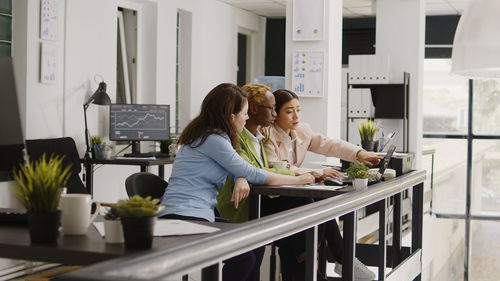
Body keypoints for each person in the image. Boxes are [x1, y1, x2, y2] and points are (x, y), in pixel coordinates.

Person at [158, 83, 314, 281]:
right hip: (185, 217)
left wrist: (240, 177)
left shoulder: (210, 135)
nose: (247, 117)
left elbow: (239, 169)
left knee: (254, 242)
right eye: (245, 113)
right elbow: (252, 172)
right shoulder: (214, 139)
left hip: (199, 215)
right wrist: (299, 180)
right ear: (232, 116)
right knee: (245, 256)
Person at [263, 89, 381, 281]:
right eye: (289, 111)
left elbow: (329, 144)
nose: (296, 116)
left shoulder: (301, 130)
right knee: (312, 207)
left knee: (317, 204)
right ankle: (340, 259)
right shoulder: (266, 134)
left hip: (293, 197)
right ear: (275, 113)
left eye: (298, 110)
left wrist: (359, 154)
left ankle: (331, 264)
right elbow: (278, 166)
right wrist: (316, 173)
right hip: (272, 198)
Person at [216, 83, 295, 223]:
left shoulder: (258, 138)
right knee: (305, 204)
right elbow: (251, 170)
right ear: (252, 109)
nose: (275, 114)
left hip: (257, 201)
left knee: (316, 205)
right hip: (240, 206)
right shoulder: (233, 137)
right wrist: (296, 175)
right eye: (271, 108)